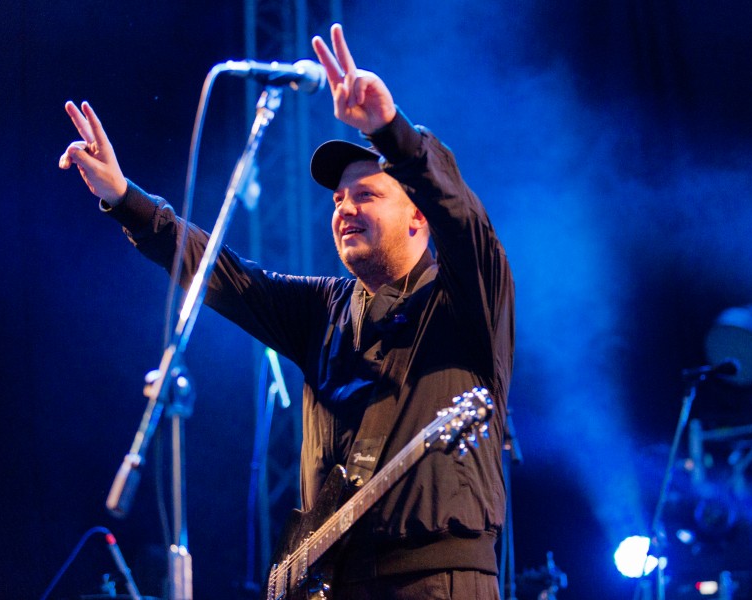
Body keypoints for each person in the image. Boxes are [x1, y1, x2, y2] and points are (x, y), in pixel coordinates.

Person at [60, 24, 514, 600]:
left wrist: (392, 134)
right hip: (332, 582)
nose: (344, 209)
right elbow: (226, 274)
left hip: (433, 582)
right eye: (338, 199)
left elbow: (465, 220)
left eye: (367, 195)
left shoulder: (466, 297)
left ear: (418, 218)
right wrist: (125, 199)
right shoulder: (324, 308)